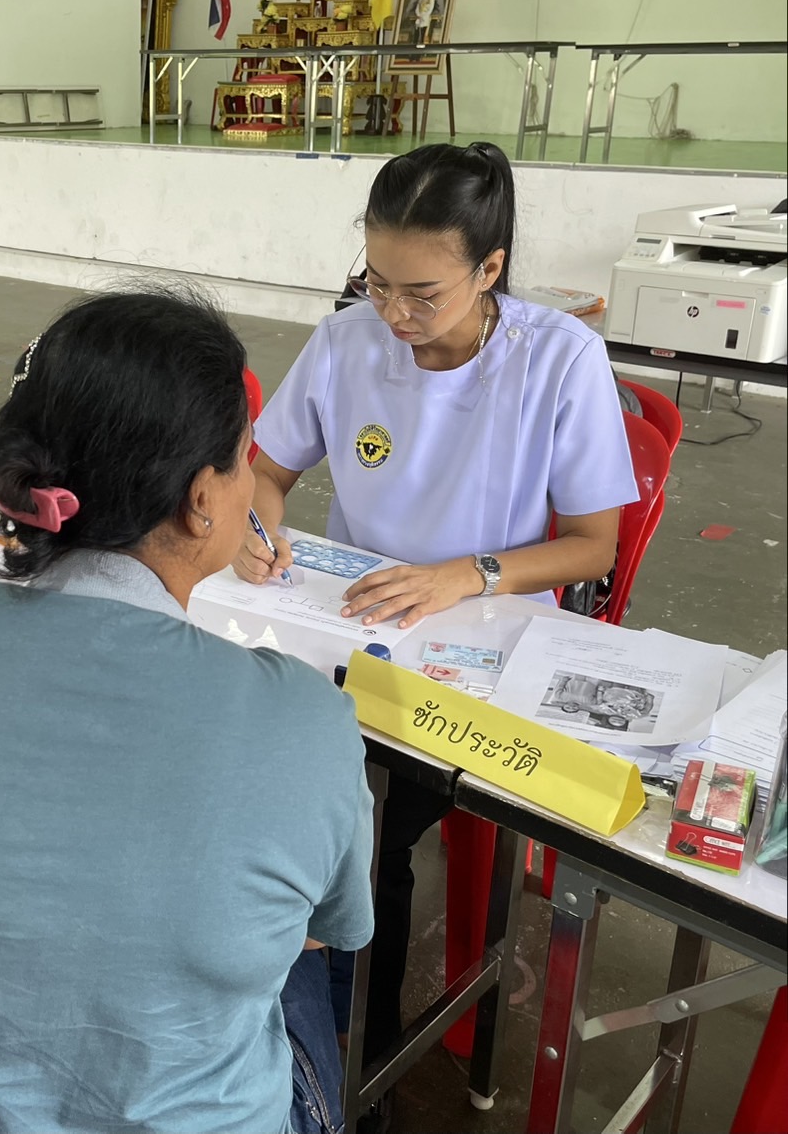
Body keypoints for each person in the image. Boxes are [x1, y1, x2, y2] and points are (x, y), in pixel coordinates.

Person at [0, 290, 375, 1134]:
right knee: (295, 971)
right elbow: (334, 925)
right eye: (244, 459)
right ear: (203, 498)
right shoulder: (305, 721)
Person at [235, 141, 638, 1110]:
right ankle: (278, 1017)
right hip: (350, 624)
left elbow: (592, 545)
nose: (395, 315)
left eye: (422, 293)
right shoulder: (347, 343)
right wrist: (260, 526)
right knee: (255, 769)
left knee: (363, 822)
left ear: (489, 268)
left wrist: (470, 573)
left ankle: (352, 1062)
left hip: (483, 644)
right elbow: (268, 469)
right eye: (376, 283)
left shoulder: (557, 359)